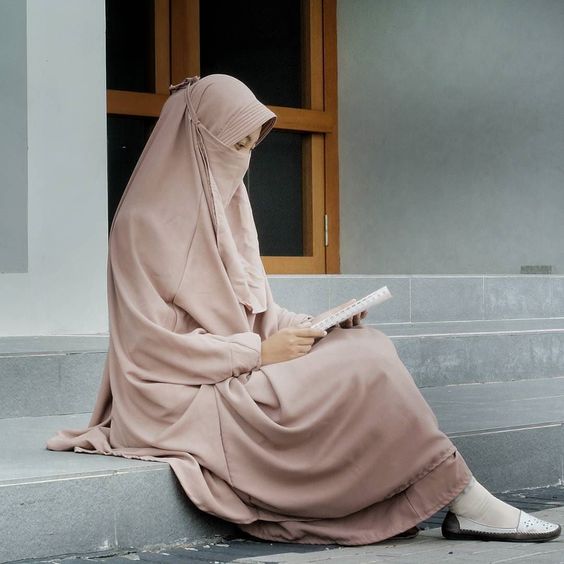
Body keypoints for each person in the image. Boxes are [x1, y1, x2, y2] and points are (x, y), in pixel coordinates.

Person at [46, 74, 561, 545]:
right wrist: (259, 352)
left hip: (236, 366)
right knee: (365, 366)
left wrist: (318, 323)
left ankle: (457, 493)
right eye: (234, 145)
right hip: (180, 393)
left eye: (251, 146)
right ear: (198, 141)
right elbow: (149, 348)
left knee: (365, 345)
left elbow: (255, 310)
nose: (244, 158)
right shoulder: (141, 225)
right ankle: (463, 497)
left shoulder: (225, 209)